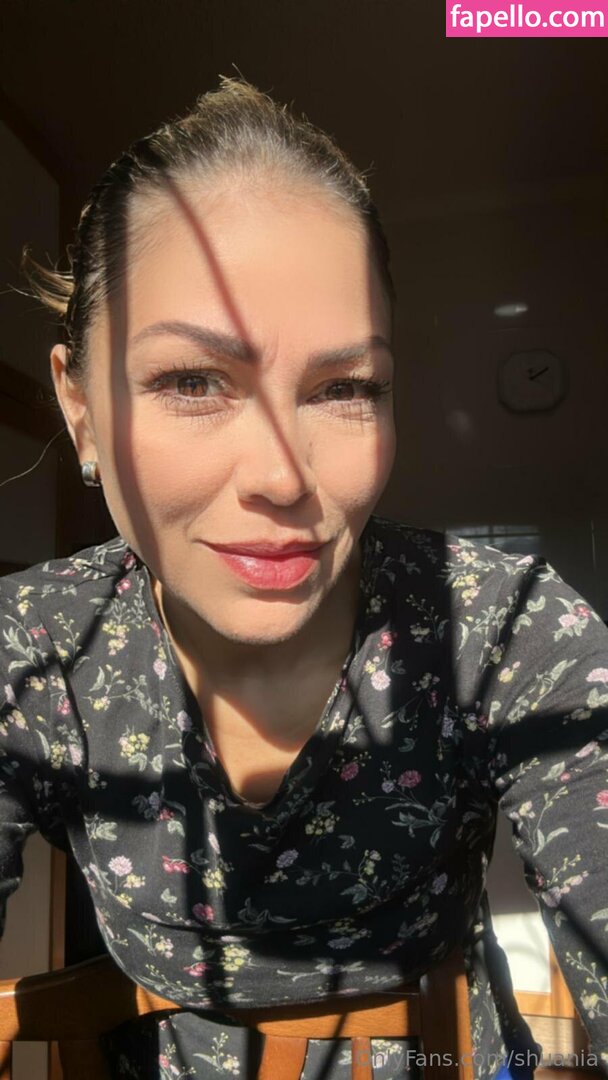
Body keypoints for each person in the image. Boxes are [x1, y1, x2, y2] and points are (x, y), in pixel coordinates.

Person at [3, 76, 608, 1080]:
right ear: (80, 409)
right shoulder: (35, 650)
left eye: (343, 387)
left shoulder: (503, 630)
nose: (284, 478)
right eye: (192, 381)